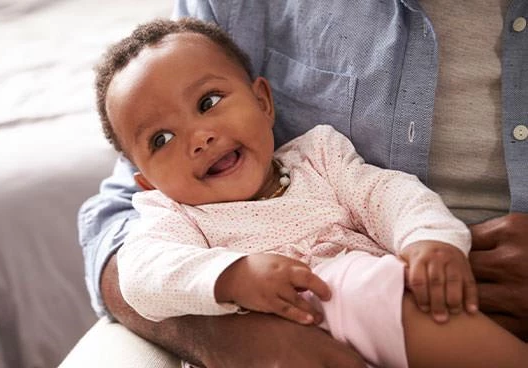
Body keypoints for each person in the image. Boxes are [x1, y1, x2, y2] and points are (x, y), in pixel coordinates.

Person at [75, 1, 528, 367]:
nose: (199, 137)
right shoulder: (174, 216)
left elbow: (388, 194)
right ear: (147, 183)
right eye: (161, 139)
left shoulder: (320, 157)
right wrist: (231, 277)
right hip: (279, 335)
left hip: (382, 304)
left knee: (373, 287)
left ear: (263, 102)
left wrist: (429, 239)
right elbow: (141, 274)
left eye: (209, 102)